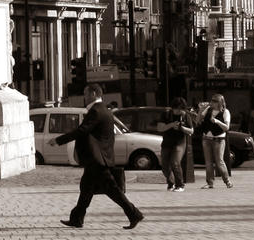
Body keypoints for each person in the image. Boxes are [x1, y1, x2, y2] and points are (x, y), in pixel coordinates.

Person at [49, 82, 144, 230]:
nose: (85, 97)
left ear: (93, 94)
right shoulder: (105, 110)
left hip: (97, 159)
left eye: (86, 94)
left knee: (113, 191)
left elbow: (82, 131)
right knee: (86, 189)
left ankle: (134, 214)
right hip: (100, 158)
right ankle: (76, 219)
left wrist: (58, 140)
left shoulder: (96, 111)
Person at [158, 96, 193, 191]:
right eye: (177, 109)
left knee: (175, 162)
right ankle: (171, 183)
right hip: (167, 142)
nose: (179, 111)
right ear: (173, 107)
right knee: (165, 166)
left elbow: (191, 131)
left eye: (181, 109)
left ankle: (180, 185)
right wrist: (171, 125)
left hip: (180, 142)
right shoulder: (166, 114)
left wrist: (182, 128)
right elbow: (160, 128)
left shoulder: (186, 116)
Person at [198, 94, 233, 188]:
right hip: (206, 139)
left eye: (214, 101)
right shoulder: (208, 109)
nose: (212, 102)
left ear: (220, 102)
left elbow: (226, 128)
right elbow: (198, 120)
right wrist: (200, 110)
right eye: (212, 100)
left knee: (219, 161)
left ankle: (227, 181)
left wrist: (217, 121)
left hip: (218, 139)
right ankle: (210, 183)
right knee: (208, 162)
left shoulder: (225, 112)